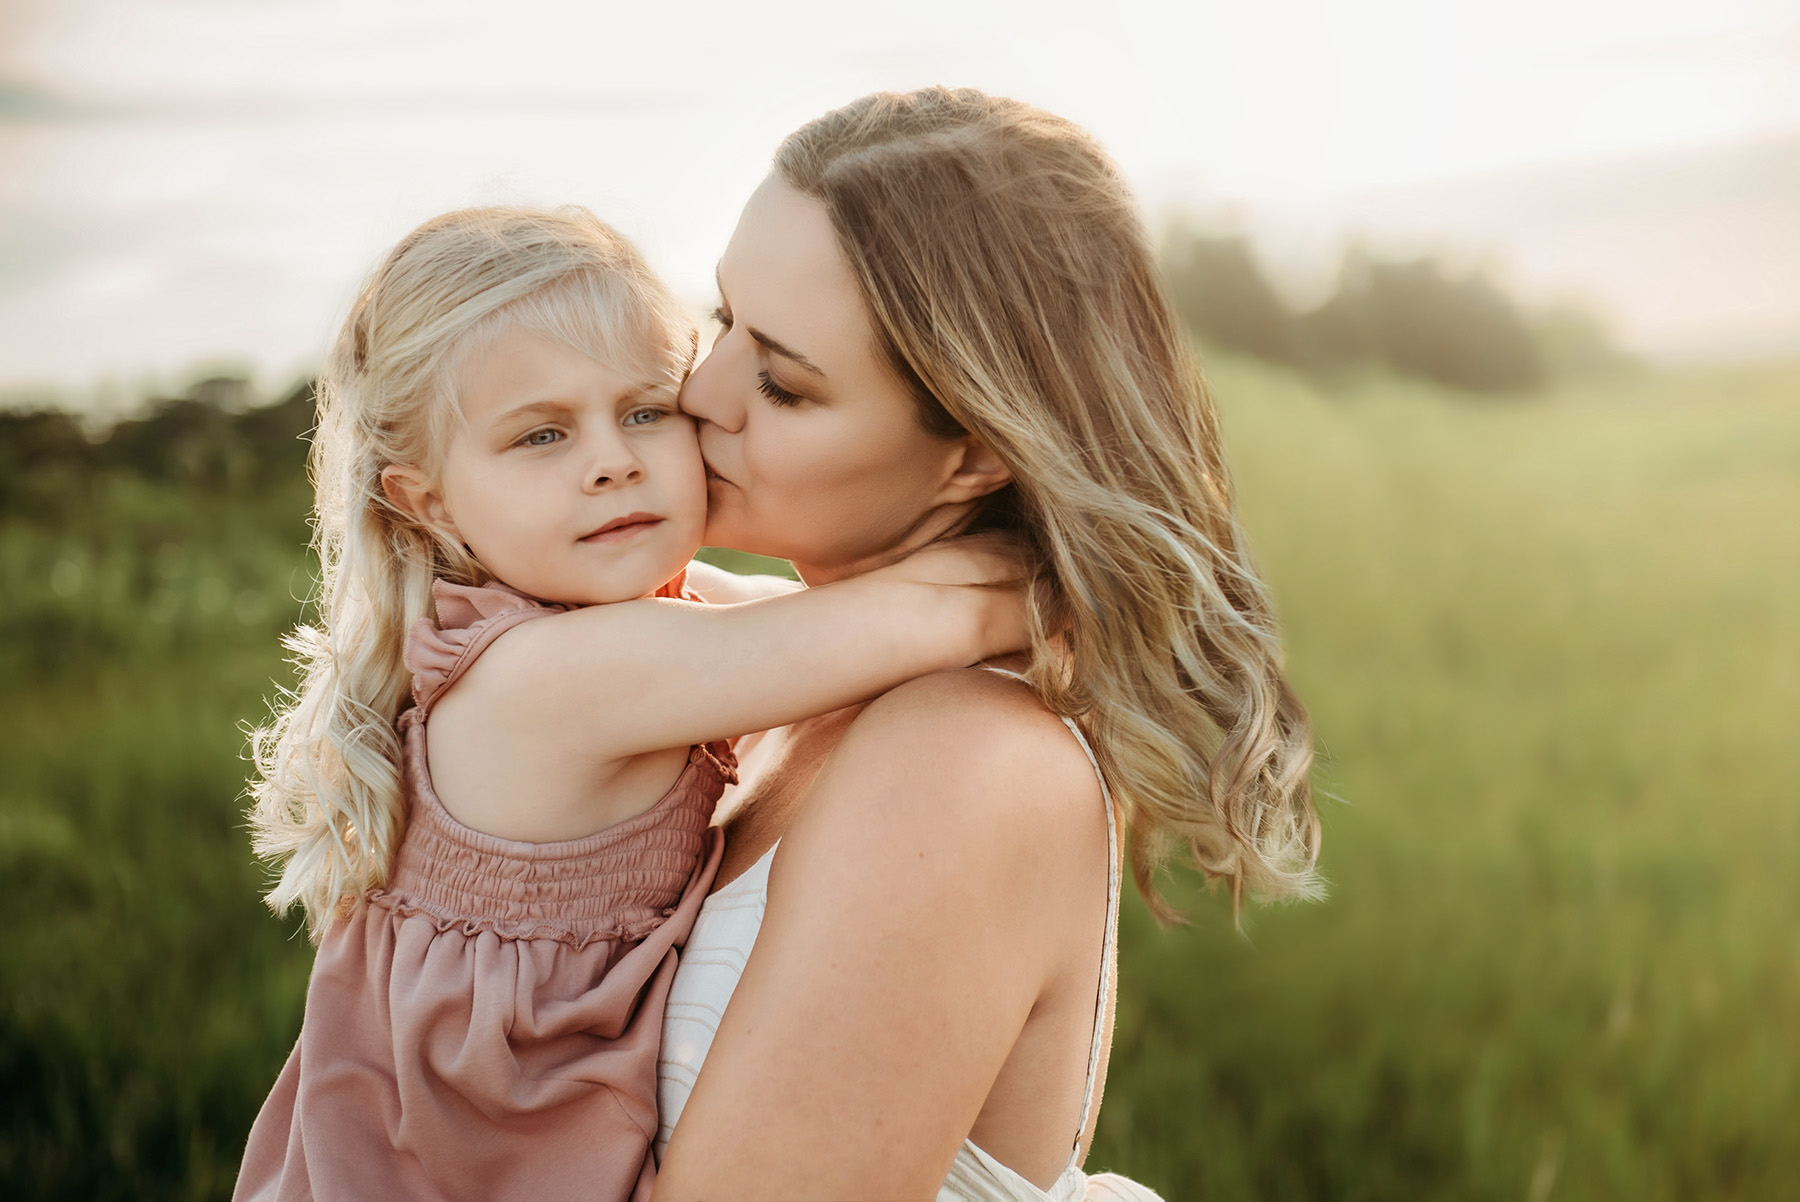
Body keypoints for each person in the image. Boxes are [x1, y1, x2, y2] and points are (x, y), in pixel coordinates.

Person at [233, 205, 1027, 1202]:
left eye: (646, 409)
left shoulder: (638, 620)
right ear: (428, 501)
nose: (611, 459)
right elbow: (928, 619)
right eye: (542, 434)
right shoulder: (551, 681)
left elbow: (814, 619)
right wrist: (1071, 534)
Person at [650, 88, 1323, 1200]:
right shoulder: (769, 658)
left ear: (973, 453)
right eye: (719, 319)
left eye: (782, 381)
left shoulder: (966, 764)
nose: (698, 392)